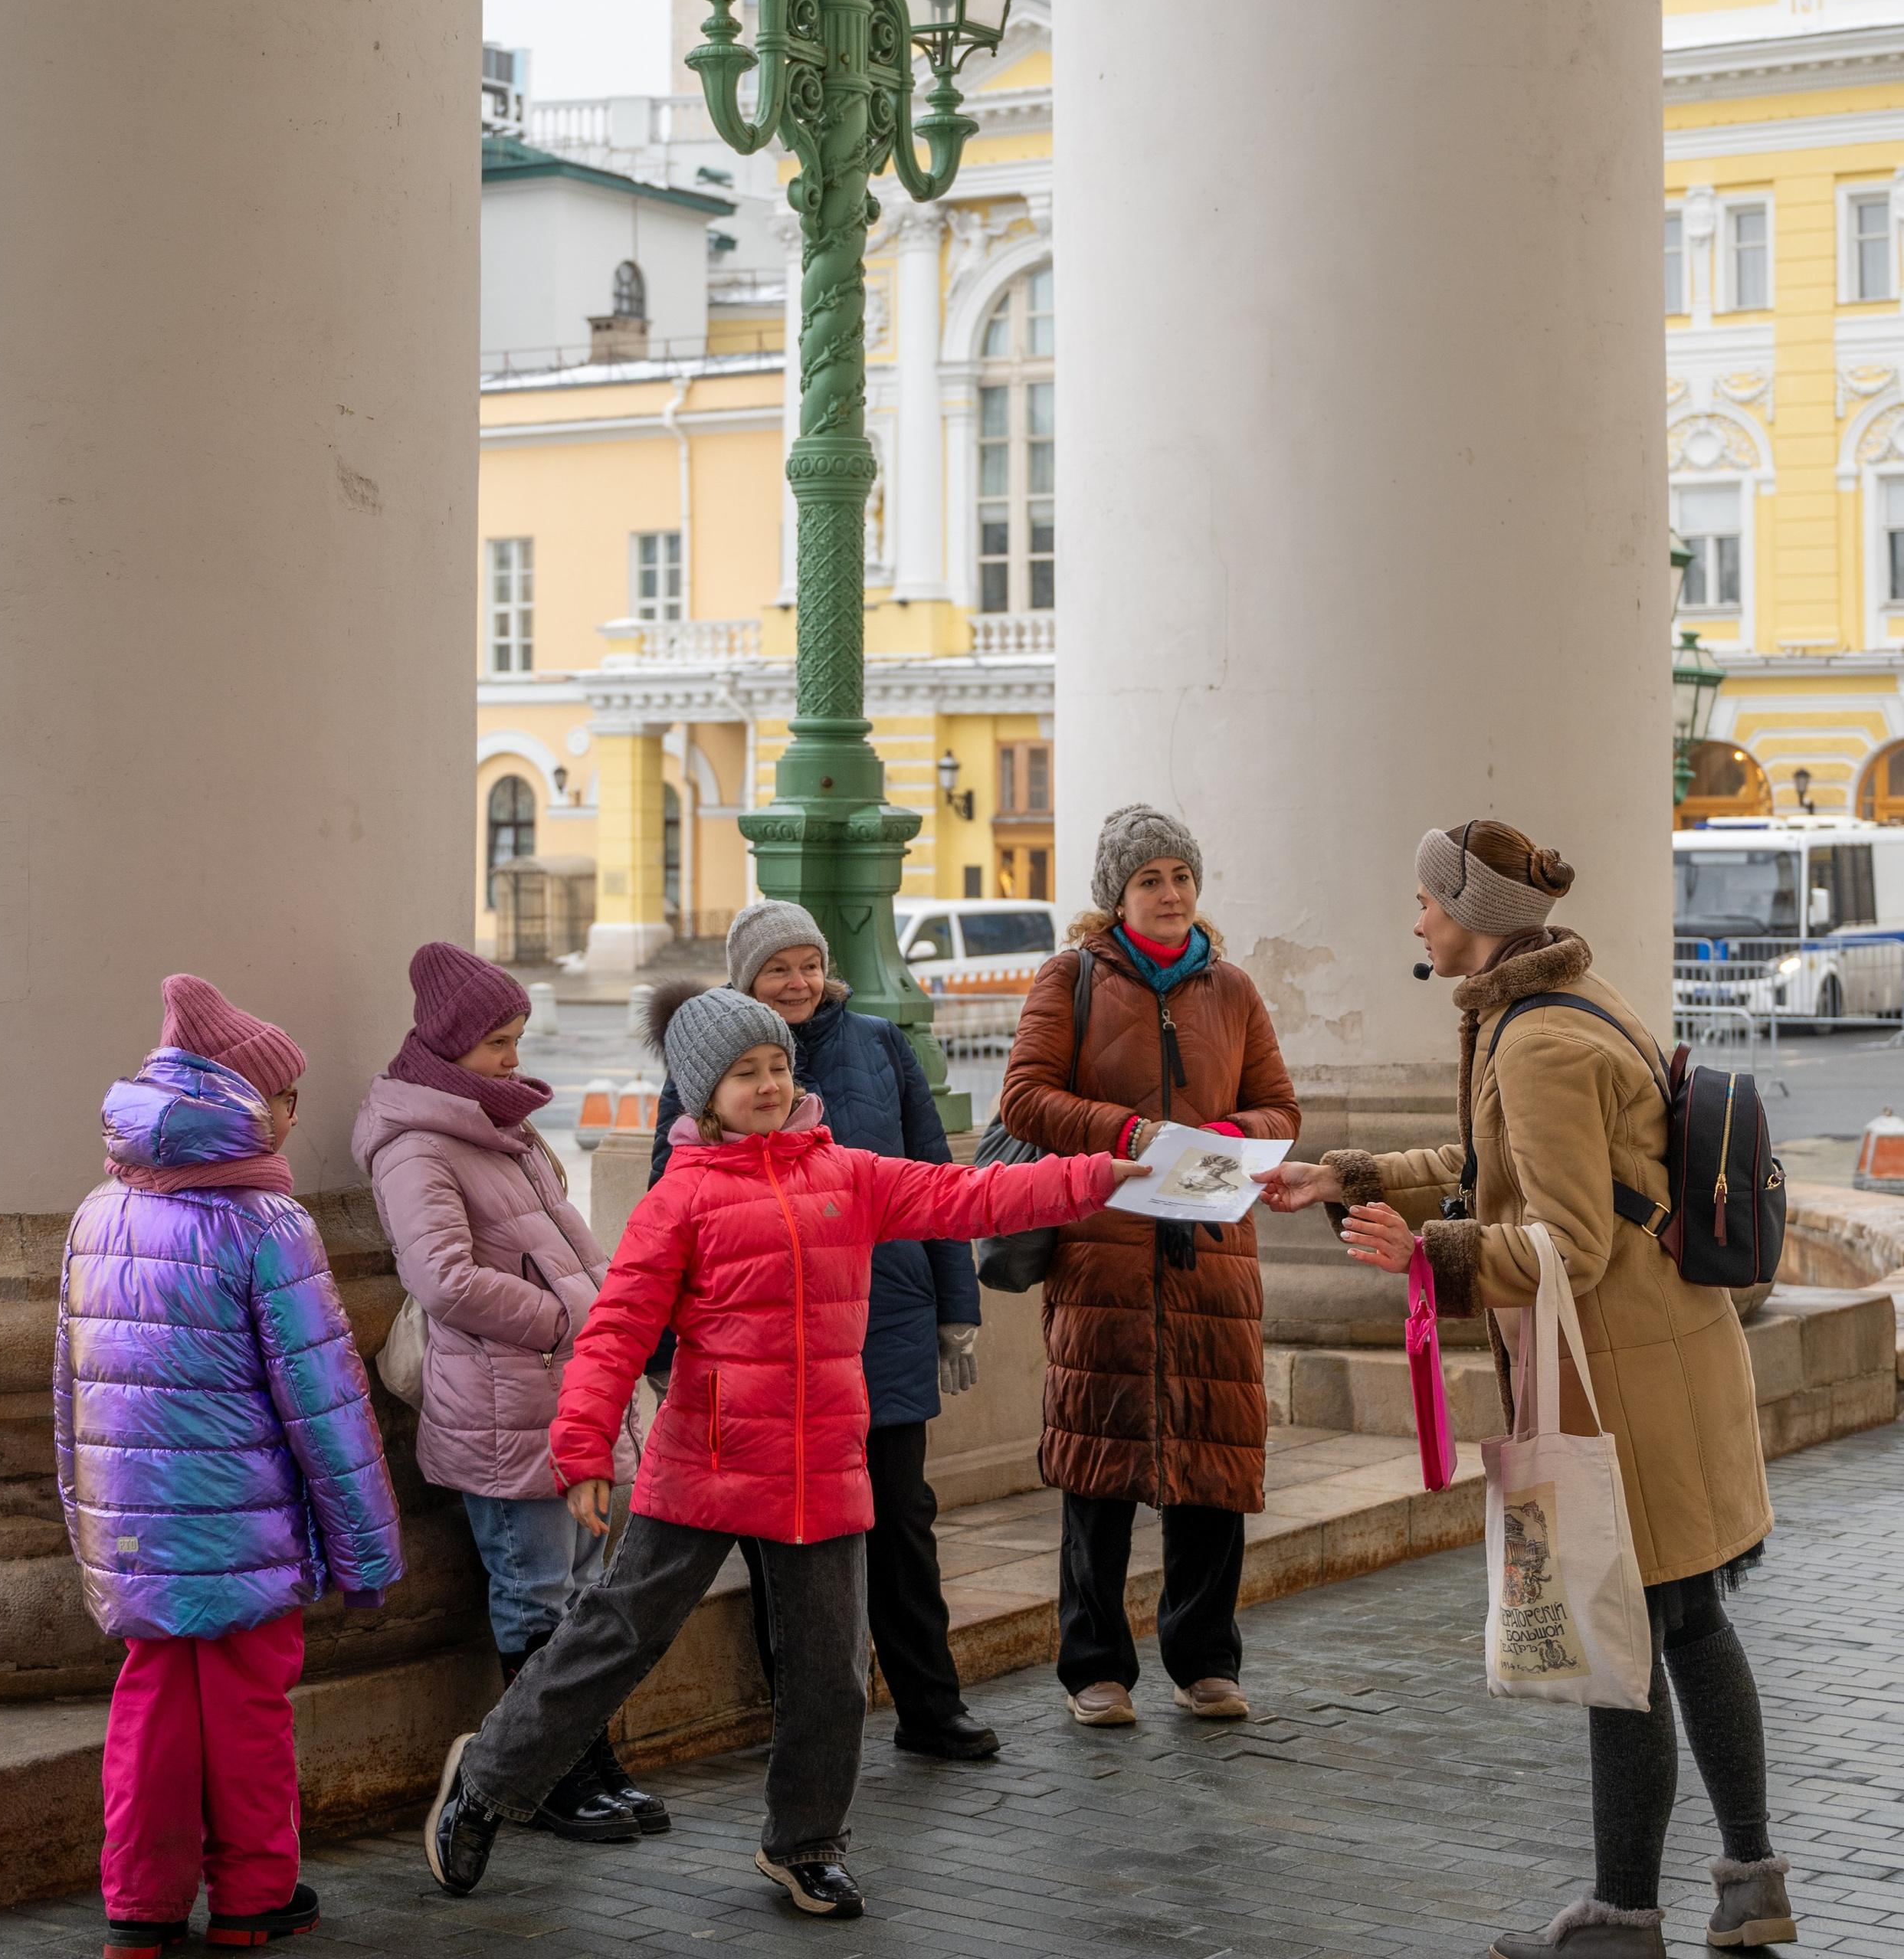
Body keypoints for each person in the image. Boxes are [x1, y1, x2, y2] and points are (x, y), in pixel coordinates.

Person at [424, 985, 1156, 1922]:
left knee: (829, 1668)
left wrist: (1098, 1173)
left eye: (777, 1065)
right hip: (705, 1459)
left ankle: (805, 1843)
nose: (769, 1084)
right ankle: (485, 1781)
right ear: (705, 1092)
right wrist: (578, 1447)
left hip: (820, 1461)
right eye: (745, 1072)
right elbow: (613, 1331)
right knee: (614, 1637)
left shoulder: (847, 1172)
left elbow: (973, 1193)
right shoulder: (679, 1196)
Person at [1260, 819, 1793, 1959]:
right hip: (1673, 1358)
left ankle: (1623, 1914)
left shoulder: (1536, 1042)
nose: (1415, 921)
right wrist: (1346, 1178)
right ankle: (1752, 1886)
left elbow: (1568, 1240)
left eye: (1427, 903)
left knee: (1624, 1649)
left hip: (1625, 1383)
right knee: (1691, 1623)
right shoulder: (1563, 1000)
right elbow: (1489, 1163)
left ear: (1479, 920)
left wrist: (1429, 1257)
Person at [56, 975, 404, 1959]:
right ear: (245, 1104)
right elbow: (325, 1404)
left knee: (151, 1707)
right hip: (245, 1526)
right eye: (287, 1095)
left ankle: (141, 1907)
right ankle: (255, 1895)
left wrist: (88, 1520)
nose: (298, 1112)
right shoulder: (265, 1226)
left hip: (137, 1531)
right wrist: (366, 1551)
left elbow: (68, 1388)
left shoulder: (98, 1212)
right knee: (248, 1710)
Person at [646, 899, 994, 1761]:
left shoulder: (881, 1043)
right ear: (746, 980)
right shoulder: (709, 1060)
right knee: (783, 1537)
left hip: (887, 1316)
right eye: (777, 969)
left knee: (902, 1519)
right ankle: (797, 1717)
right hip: (772, 1341)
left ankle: (928, 1702)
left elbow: (935, 1175)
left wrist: (958, 1305)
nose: (798, 981)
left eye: (807, 963)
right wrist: (662, 1352)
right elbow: (668, 1212)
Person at [996, 803, 1300, 1730]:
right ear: (1116, 896)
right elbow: (1024, 1097)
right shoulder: (1071, 976)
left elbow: (1279, 1110)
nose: (1169, 895)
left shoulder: (1234, 988)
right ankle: (1094, 1664)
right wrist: (1131, 1133)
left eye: (1179, 877)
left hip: (1209, 1251)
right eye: (1148, 881)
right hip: (1104, 1249)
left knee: (1212, 1457)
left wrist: (1218, 1136)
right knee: (1099, 1461)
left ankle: (1205, 1659)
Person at [353, 940, 660, 1845]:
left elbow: (572, 1246)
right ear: (448, 1046)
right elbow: (445, 1279)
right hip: (502, 1405)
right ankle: (544, 1774)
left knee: (583, 1594)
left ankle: (582, 1753)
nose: (513, 1058)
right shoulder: (418, 1145)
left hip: (560, 1399)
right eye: (498, 1042)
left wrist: (612, 1320)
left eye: (519, 1037)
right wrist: (574, 1316)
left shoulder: (504, 1129)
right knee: (538, 1594)